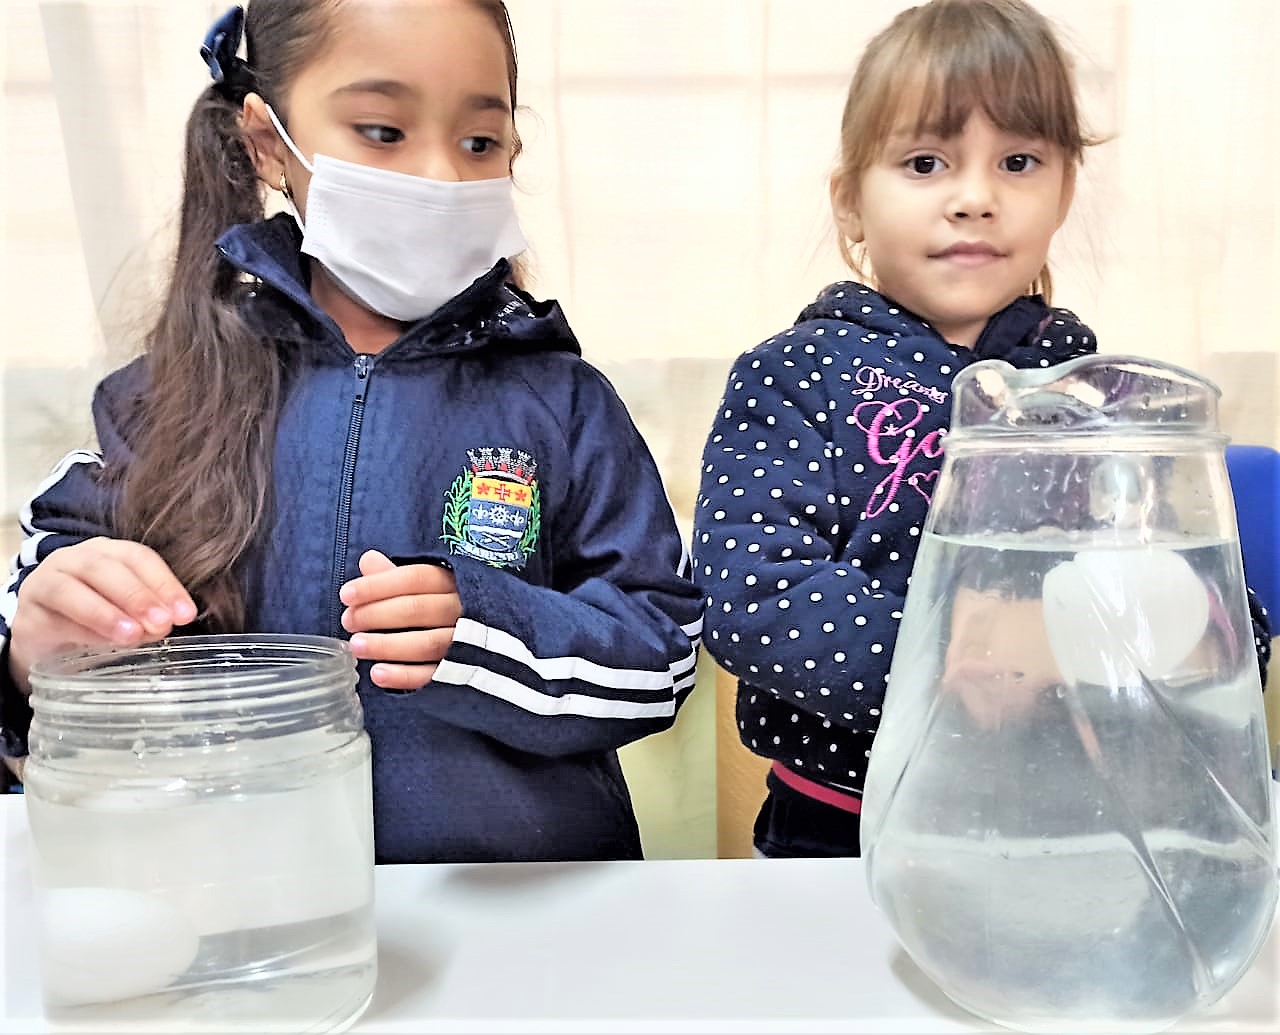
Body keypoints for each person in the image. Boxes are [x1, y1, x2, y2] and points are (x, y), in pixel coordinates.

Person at [0, 0, 703, 863]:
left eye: (480, 143)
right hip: (241, 910)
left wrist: (484, 631)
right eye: (382, 130)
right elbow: (47, 588)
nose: (442, 178)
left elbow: (661, 657)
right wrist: (36, 645)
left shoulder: (563, 400)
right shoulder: (164, 395)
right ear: (268, 144)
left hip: (523, 916)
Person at [693, 0, 1248, 859]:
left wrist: (1202, 625)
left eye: (1019, 160)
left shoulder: (1104, 400)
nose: (976, 198)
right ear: (850, 202)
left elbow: (1192, 603)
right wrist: (957, 664)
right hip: (841, 822)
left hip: (1066, 823)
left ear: (1064, 187)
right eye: (925, 162)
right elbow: (756, 600)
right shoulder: (795, 374)